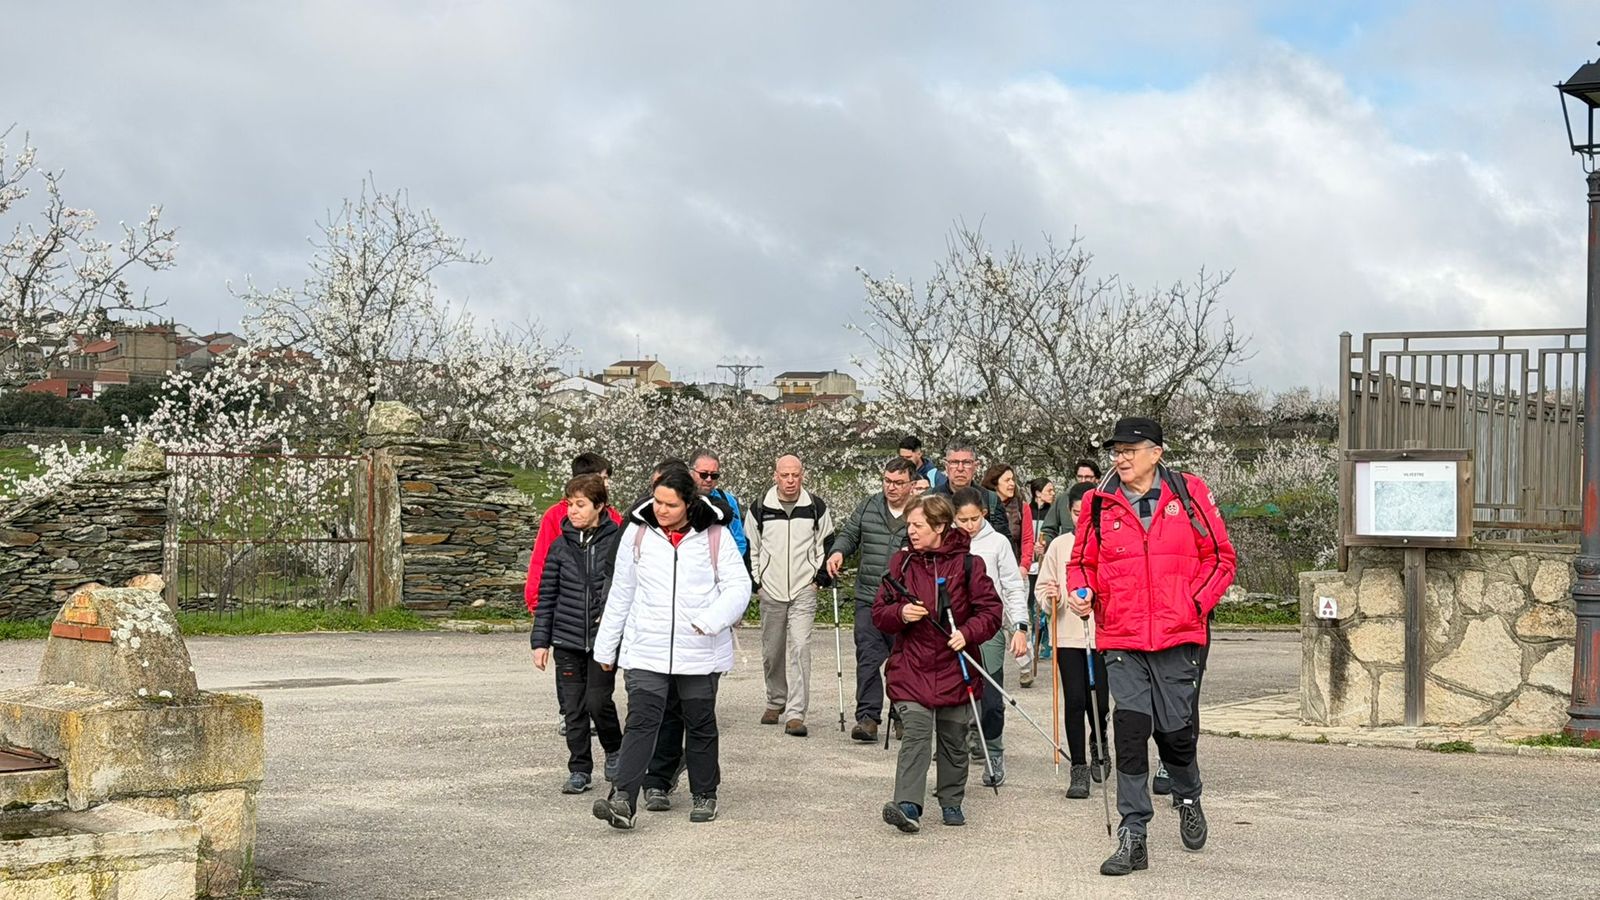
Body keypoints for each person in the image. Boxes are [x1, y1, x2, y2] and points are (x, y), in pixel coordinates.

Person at [1067, 417, 1235, 876]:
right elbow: (1081, 562)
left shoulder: (1188, 492)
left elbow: (1221, 557)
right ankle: (1133, 833)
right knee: (1131, 729)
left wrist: (1193, 605)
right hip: (1122, 636)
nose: (1120, 458)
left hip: (1178, 633)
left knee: (1175, 732)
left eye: (1129, 450)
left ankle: (1187, 796)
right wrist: (1081, 590)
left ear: (1156, 453)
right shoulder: (1100, 503)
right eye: (1116, 451)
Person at [591, 467, 751, 830]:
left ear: (688, 503)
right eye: (658, 501)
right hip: (646, 646)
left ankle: (705, 792)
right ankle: (623, 799)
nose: (661, 509)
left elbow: (738, 587)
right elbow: (621, 593)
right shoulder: (637, 532)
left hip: (699, 648)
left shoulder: (715, 535)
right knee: (641, 721)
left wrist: (710, 621)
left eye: (670, 504)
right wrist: (606, 649)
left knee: (699, 722)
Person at [872, 494, 1002, 833]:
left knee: (954, 738)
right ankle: (908, 805)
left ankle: (951, 800)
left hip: (955, 665)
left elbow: (991, 612)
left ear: (940, 527)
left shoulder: (968, 564)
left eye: (918, 525)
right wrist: (900, 613)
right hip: (911, 666)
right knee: (915, 733)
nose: (911, 531)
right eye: (910, 525)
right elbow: (879, 613)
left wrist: (967, 633)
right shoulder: (900, 563)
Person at [529, 474, 624, 795]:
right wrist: (540, 642)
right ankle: (579, 768)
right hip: (567, 641)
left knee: (599, 702)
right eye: (570, 504)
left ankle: (614, 750)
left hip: (603, 640)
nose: (573, 511)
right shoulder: (559, 546)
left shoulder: (617, 542)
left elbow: (623, 591)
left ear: (599, 506)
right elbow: (547, 595)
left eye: (580, 505)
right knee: (573, 708)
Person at [826, 456, 916, 742]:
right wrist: (839, 551)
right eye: (888, 481)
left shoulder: (919, 512)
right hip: (869, 597)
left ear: (911, 484)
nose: (892, 487)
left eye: (899, 483)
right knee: (867, 656)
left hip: (905, 601)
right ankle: (867, 717)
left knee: (904, 661)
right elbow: (851, 534)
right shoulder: (868, 506)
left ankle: (903, 716)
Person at [747, 454, 835, 737]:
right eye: (784, 475)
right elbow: (752, 547)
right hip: (770, 589)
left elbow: (827, 545)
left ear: (802, 475)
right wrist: (757, 582)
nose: (790, 480)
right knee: (772, 651)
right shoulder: (760, 507)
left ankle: (796, 714)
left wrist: (817, 580)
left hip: (803, 589)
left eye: (795, 475)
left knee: (800, 648)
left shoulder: (815, 507)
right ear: (775, 476)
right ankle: (775, 701)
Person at [950, 487, 1029, 789]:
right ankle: (954, 757)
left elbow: (1012, 585)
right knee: (955, 695)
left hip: (989, 627)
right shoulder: (947, 542)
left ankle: (994, 751)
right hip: (955, 628)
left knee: (991, 697)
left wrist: (1019, 626)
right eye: (962, 520)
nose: (969, 526)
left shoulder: (997, 542)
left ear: (983, 512)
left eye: (974, 518)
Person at [1036, 482, 1108, 801]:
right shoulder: (1060, 545)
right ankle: (1078, 766)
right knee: (1075, 700)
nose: (1082, 520)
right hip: (1067, 635)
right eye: (1077, 513)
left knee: (1100, 702)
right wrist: (1052, 598)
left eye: (1088, 513)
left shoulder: (1109, 543)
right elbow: (1043, 588)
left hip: (1103, 634)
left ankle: (1100, 744)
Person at [930, 441, 1009, 538]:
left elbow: (1003, 541)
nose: (960, 468)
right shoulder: (931, 498)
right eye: (954, 462)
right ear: (946, 466)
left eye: (966, 462)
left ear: (975, 466)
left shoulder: (990, 499)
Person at [1022, 476, 1056, 687]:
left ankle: (1045, 642)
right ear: (1037, 493)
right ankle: (1033, 639)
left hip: (1045, 562)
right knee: (1031, 603)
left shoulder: (1054, 512)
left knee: (1045, 605)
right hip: (1030, 566)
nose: (1052, 493)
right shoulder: (1028, 511)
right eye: (1049, 490)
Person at [690, 449, 749, 564]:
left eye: (714, 475)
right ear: (691, 473)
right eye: (703, 474)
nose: (709, 479)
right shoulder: (678, 498)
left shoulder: (727, 499)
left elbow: (739, 540)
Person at [1038, 458, 1101, 550]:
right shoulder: (1063, 499)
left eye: (1087, 477)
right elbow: (1049, 529)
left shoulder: (1104, 500)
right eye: (1080, 477)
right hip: (1067, 552)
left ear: (1096, 479)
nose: (1083, 480)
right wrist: (1045, 543)